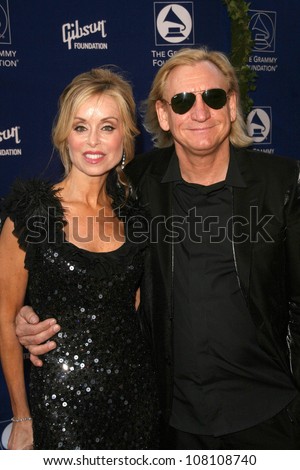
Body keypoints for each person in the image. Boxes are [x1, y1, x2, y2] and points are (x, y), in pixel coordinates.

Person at [15, 47, 300, 450]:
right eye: (183, 101)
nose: (199, 113)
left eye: (213, 97)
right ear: (164, 116)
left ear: (232, 105)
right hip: (169, 420)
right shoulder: (135, 187)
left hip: (268, 413)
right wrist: (29, 315)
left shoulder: (284, 183)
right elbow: (87, 267)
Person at [0, 67, 160, 450]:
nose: (94, 140)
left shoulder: (135, 217)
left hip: (136, 399)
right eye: (81, 126)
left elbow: (134, 305)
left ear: (125, 137)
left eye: (107, 126)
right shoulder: (32, 213)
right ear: (64, 136)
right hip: (58, 405)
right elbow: (6, 318)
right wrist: (22, 417)